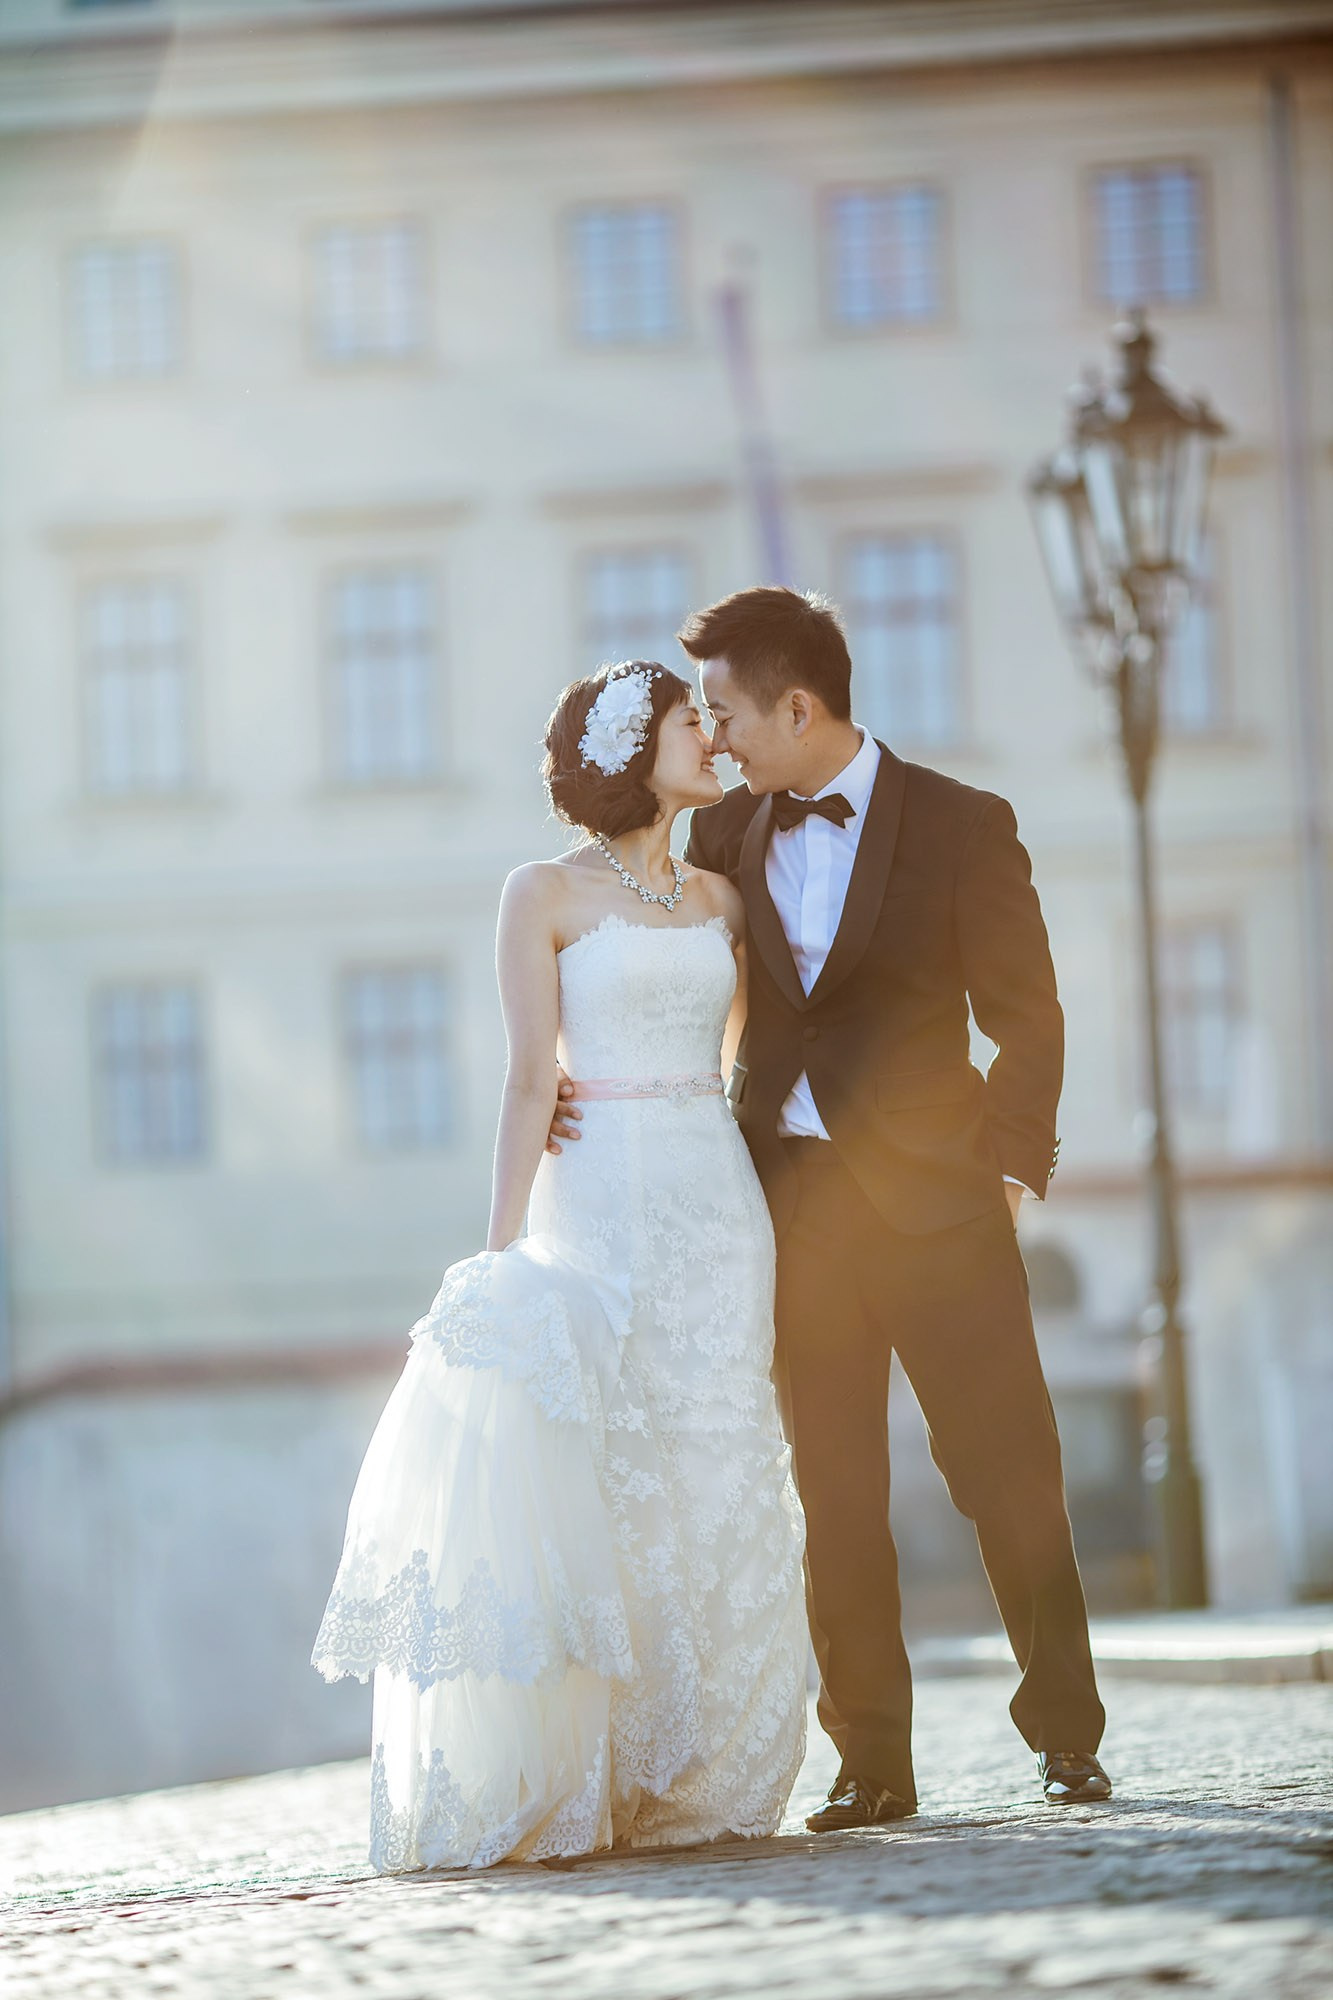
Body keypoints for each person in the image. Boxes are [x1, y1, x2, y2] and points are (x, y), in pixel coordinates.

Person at [549, 586, 1111, 1821]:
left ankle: (1065, 1728)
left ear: (798, 705)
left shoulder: (967, 823)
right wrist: (564, 1083)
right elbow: (650, 956)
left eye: (729, 712)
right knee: (835, 1492)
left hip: (944, 1207)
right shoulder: (725, 833)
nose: (718, 735)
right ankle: (872, 1757)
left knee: (1006, 1470)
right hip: (788, 1208)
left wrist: (1015, 1165)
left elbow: (1028, 1011)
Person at [311, 660, 808, 1872]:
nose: (715, 738)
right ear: (639, 744)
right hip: (595, 1203)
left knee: (720, 1454)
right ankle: (612, 1763)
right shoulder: (539, 893)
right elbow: (531, 1077)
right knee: (608, 1457)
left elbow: (749, 1061)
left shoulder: (725, 901)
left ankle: (716, 1763)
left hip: (715, 1202)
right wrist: (495, 1256)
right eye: (697, 721)